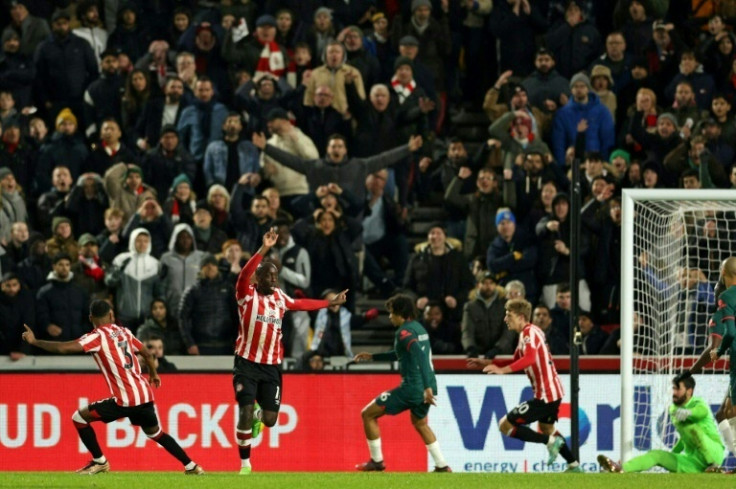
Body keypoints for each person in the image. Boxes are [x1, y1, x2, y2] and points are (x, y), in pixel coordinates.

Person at [20, 299, 204, 475]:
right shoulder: (124, 331)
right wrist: (154, 374)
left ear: (91, 318)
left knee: (79, 418)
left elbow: (63, 348)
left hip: (125, 400)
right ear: (111, 314)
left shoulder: (97, 337)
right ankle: (191, 465)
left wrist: (35, 342)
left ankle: (100, 461)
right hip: (144, 395)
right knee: (156, 433)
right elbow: (147, 353)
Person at [232, 228, 347, 474]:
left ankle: (258, 419)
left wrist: (330, 302)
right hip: (246, 364)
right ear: (257, 279)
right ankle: (245, 464)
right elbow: (243, 274)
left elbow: (302, 304)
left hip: (271, 366)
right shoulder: (246, 294)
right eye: (269, 276)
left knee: (270, 420)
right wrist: (264, 249)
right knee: (245, 410)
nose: (274, 280)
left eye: (276, 277)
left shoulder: (280, 298)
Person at [468, 298, 582, 472]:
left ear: (521, 317)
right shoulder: (526, 334)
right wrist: (487, 362)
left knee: (505, 425)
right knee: (546, 427)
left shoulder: (529, 333)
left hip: (546, 395)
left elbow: (529, 359)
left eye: (509, 315)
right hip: (552, 392)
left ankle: (550, 442)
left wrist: (503, 371)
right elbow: (517, 360)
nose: (506, 319)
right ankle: (574, 465)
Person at [352, 293, 451, 472]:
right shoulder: (419, 328)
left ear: (400, 313)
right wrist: (373, 357)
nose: (390, 317)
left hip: (413, 387)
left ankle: (377, 461)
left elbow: (419, 354)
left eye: (391, 313)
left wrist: (425, 386)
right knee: (420, 423)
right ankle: (442, 465)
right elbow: (403, 352)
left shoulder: (404, 332)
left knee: (368, 414)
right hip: (427, 385)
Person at [598, 376, 724, 473]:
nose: (674, 392)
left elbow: (701, 413)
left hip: (714, 453)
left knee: (693, 428)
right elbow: (684, 439)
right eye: (673, 388)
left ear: (689, 391)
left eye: (678, 389)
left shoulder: (698, 403)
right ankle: (621, 469)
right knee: (657, 455)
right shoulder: (674, 409)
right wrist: (673, 455)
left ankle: (714, 466)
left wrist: (688, 412)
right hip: (694, 462)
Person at [676, 257, 736, 460]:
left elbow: (714, 348)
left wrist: (689, 373)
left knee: (732, 413)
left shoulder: (722, 310)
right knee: (723, 413)